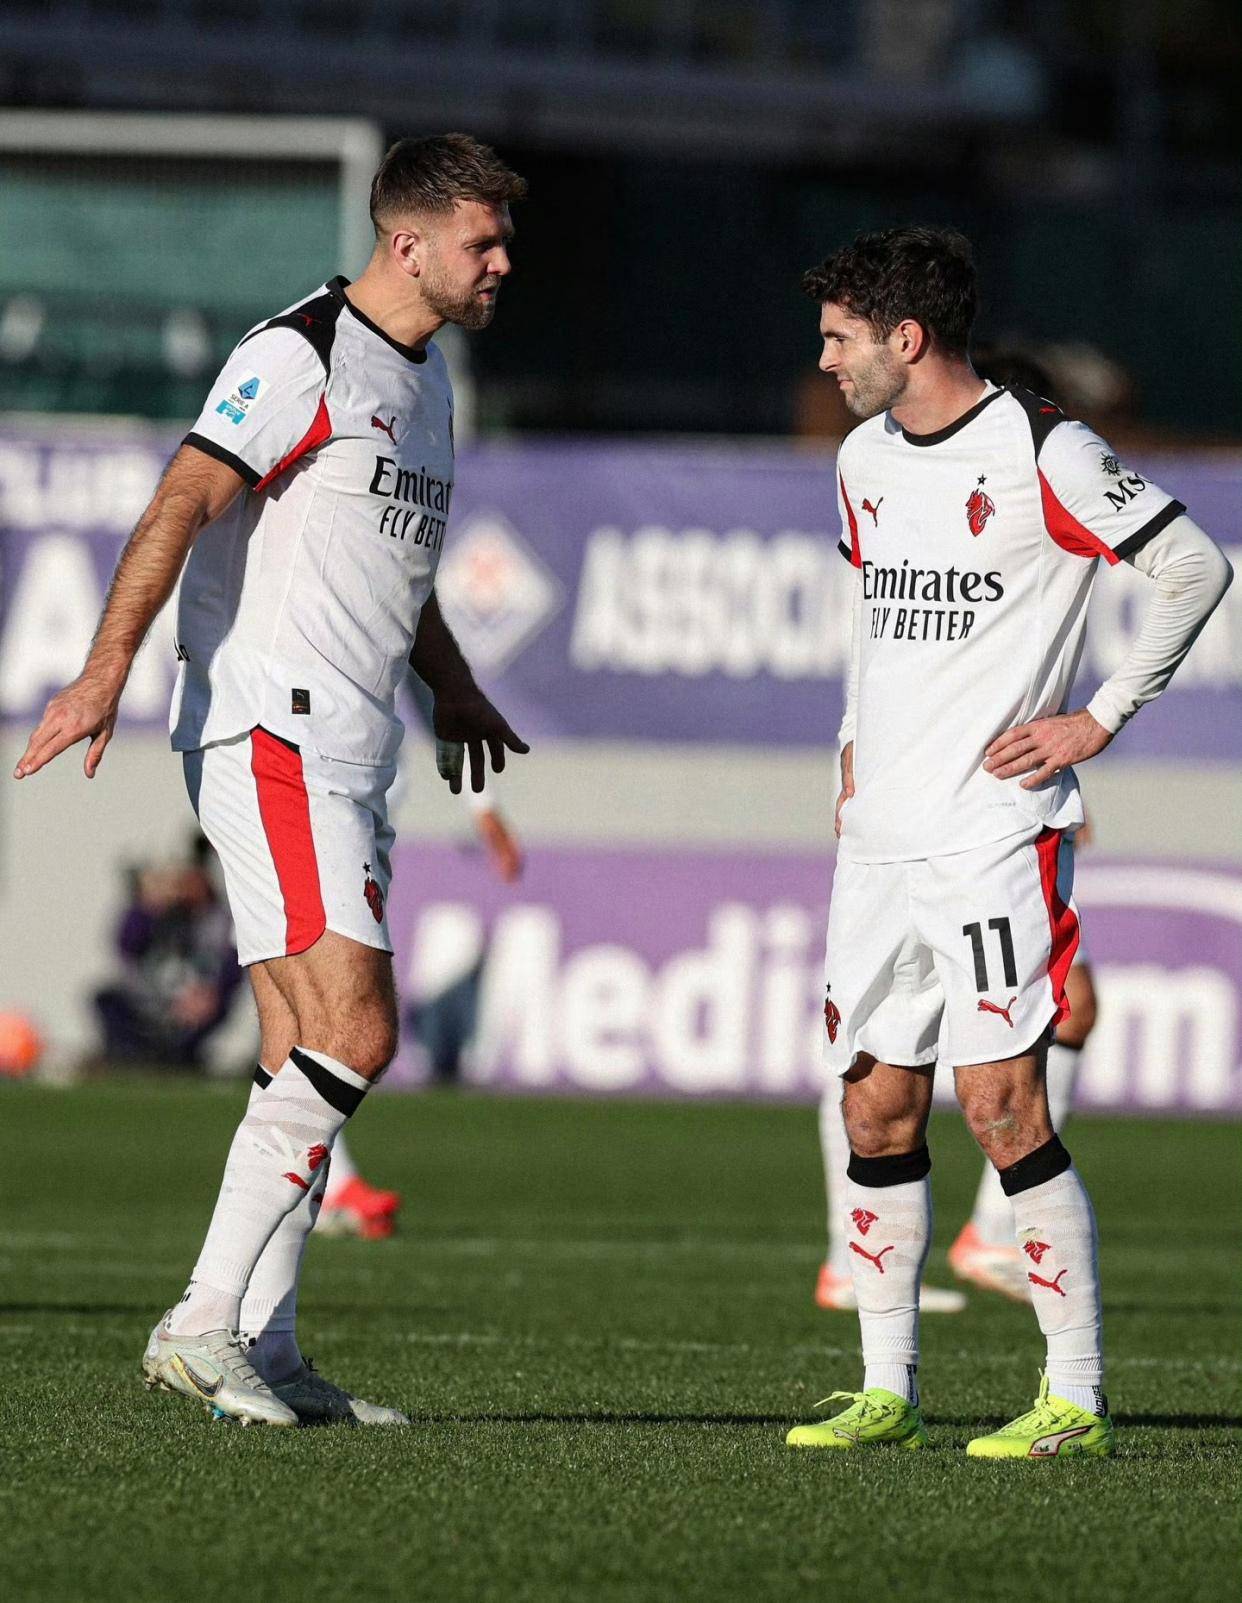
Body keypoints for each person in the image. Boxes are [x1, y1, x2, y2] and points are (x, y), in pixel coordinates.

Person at [14, 133, 529, 1427]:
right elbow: (182, 498)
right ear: (408, 243)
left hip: (352, 742)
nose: (502, 263)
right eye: (483, 241)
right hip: (272, 728)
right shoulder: (301, 351)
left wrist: (454, 684)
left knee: (303, 1042)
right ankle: (200, 1323)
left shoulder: (428, 381)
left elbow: (391, 569)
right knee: (358, 1030)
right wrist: (103, 670)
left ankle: (267, 1341)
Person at [785, 227, 1231, 1459]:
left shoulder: (1044, 448)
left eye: (839, 338)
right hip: (879, 841)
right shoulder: (863, 460)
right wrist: (850, 749)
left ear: (906, 336)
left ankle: (1075, 1395)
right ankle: (886, 1388)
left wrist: (1100, 716)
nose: (825, 362)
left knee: (1001, 1104)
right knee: (876, 1108)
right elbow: (872, 622)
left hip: (990, 835)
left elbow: (1195, 566)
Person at [92, 834, 243, 1070]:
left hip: (199, 998)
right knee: (106, 999)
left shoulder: (218, 919)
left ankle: (179, 1058)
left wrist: (209, 994)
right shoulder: (162, 915)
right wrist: (148, 906)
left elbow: (232, 964)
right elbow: (127, 948)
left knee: (191, 1031)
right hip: (157, 996)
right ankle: (133, 1058)